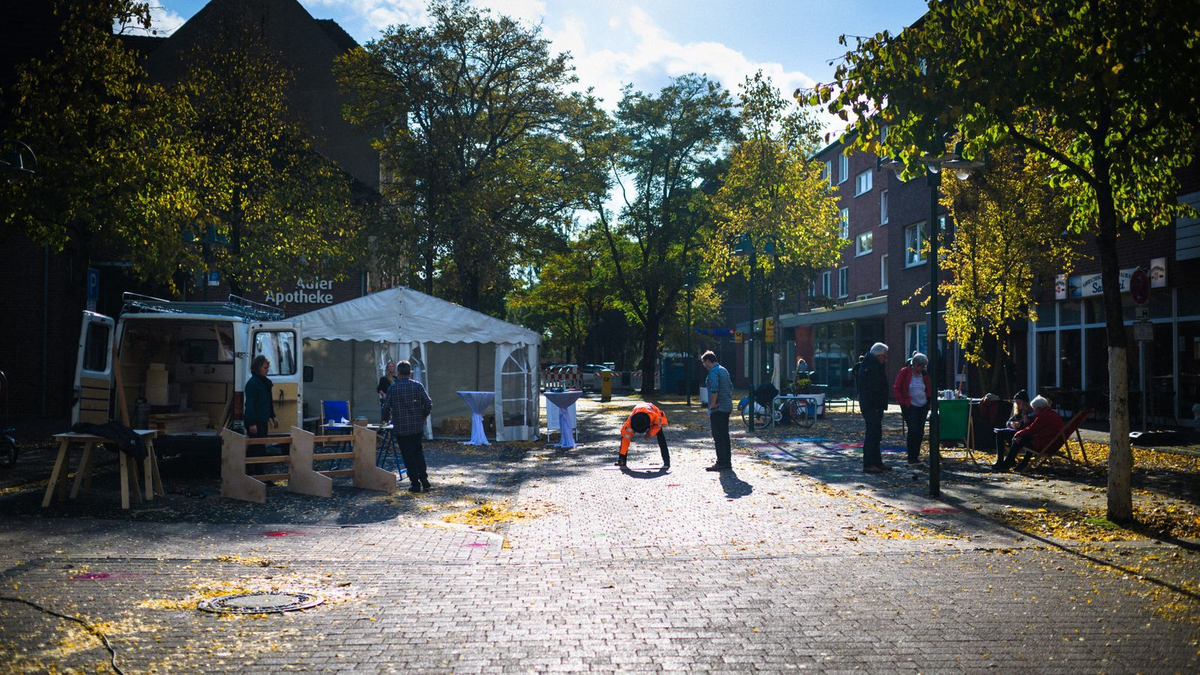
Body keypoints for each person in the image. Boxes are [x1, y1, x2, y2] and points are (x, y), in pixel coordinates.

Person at [387, 360, 433, 492]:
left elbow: (385, 407)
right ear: (409, 372)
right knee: (418, 452)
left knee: (408, 456)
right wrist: (423, 415)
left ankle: (415, 483)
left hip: (401, 428)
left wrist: (385, 419)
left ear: (398, 372)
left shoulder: (393, 388)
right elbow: (428, 403)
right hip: (416, 427)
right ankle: (424, 479)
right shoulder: (418, 386)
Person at [992, 395, 1063, 472]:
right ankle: (1021, 464)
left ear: (1038, 408)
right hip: (1051, 441)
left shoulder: (1043, 416)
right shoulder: (1052, 413)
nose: (1035, 411)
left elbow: (1032, 429)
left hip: (1045, 443)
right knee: (1024, 438)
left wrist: (1018, 433)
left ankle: (1008, 463)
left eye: (1035, 409)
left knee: (1019, 440)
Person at [857, 342, 891, 474]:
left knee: (876, 434)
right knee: (872, 434)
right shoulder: (873, 367)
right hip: (872, 406)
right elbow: (874, 388)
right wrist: (877, 404)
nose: (885, 359)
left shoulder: (869, 365)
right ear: (879, 355)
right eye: (885, 356)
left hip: (872, 405)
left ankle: (876, 461)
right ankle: (869, 463)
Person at [893, 352, 931, 465]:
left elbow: (928, 388)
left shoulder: (924, 374)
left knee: (920, 432)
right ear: (914, 364)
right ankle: (911, 456)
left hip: (923, 405)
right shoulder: (904, 372)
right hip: (910, 406)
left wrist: (928, 403)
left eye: (924, 366)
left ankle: (916, 456)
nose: (922, 368)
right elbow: (897, 387)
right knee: (913, 430)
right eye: (920, 366)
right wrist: (902, 403)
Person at [702, 350, 734, 472]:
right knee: (725, 435)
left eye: (704, 362)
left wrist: (712, 405)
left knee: (718, 436)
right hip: (727, 406)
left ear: (708, 361)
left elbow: (714, 389)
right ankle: (727, 462)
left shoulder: (713, 372)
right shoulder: (724, 370)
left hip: (718, 408)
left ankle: (721, 462)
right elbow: (731, 388)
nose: (704, 365)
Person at [616, 402, 669, 469]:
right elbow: (625, 437)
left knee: (660, 435)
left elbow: (659, 425)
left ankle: (667, 461)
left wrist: (650, 433)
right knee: (626, 436)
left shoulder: (655, 417)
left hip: (651, 411)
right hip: (638, 412)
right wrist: (622, 455)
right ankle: (622, 460)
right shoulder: (631, 422)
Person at [993, 390, 1034, 459]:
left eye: (1019, 402)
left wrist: (1023, 422)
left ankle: (1010, 459)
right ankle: (1000, 459)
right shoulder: (1018, 413)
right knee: (1000, 433)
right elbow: (1008, 422)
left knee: (1005, 435)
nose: (1017, 404)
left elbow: (1030, 426)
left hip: (1024, 435)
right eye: (1016, 403)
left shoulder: (1031, 413)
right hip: (1015, 432)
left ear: (1025, 402)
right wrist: (1011, 424)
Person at [244, 355, 278, 438]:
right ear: (258, 368)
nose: (267, 370)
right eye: (265, 368)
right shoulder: (253, 384)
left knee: (262, 442)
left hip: (263, 421)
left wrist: (273, 416)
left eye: (267, 368)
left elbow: (268, 402)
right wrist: (252, 423)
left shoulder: (266, 383)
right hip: (256, 422)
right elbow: (250, 405)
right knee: (257, 444)